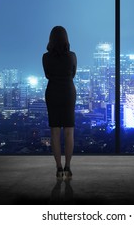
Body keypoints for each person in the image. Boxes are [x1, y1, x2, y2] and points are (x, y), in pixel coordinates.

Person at [42, 26, 77, 179]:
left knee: (55, 132)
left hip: (53, 92)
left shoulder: (46, 57)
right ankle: (68, 168)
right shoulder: (72, 56)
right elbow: (73, 74)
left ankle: (58, 168)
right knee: (69, 131)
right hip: (68, 92)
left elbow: (47, 75)